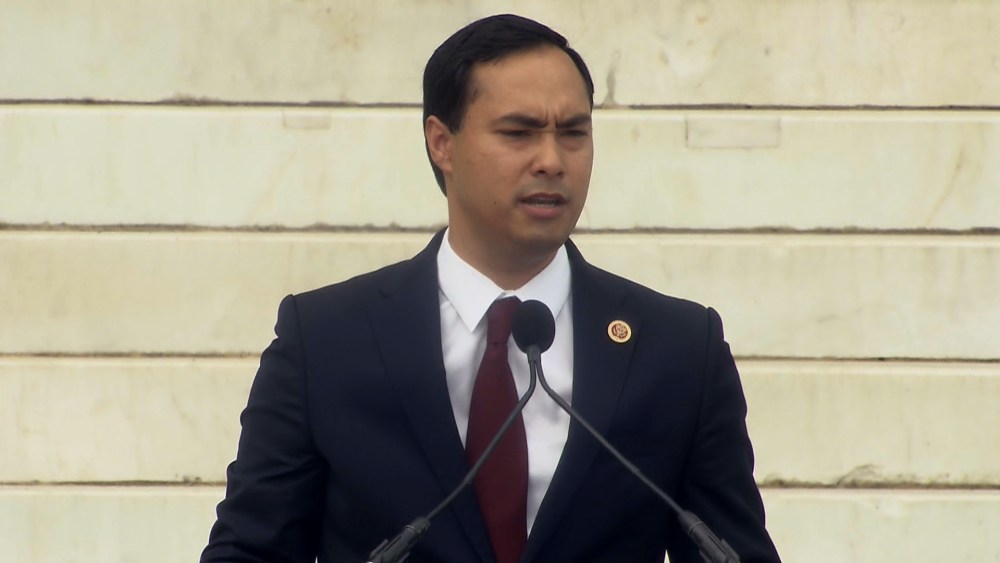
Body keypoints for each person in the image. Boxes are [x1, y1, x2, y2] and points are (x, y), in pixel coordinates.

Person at [202, 13, 780, 563]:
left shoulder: (679, 349)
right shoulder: (326, 340)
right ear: (442, 143)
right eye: (518, 133)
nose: (552, 160)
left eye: (573, 133)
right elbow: (251, 549)